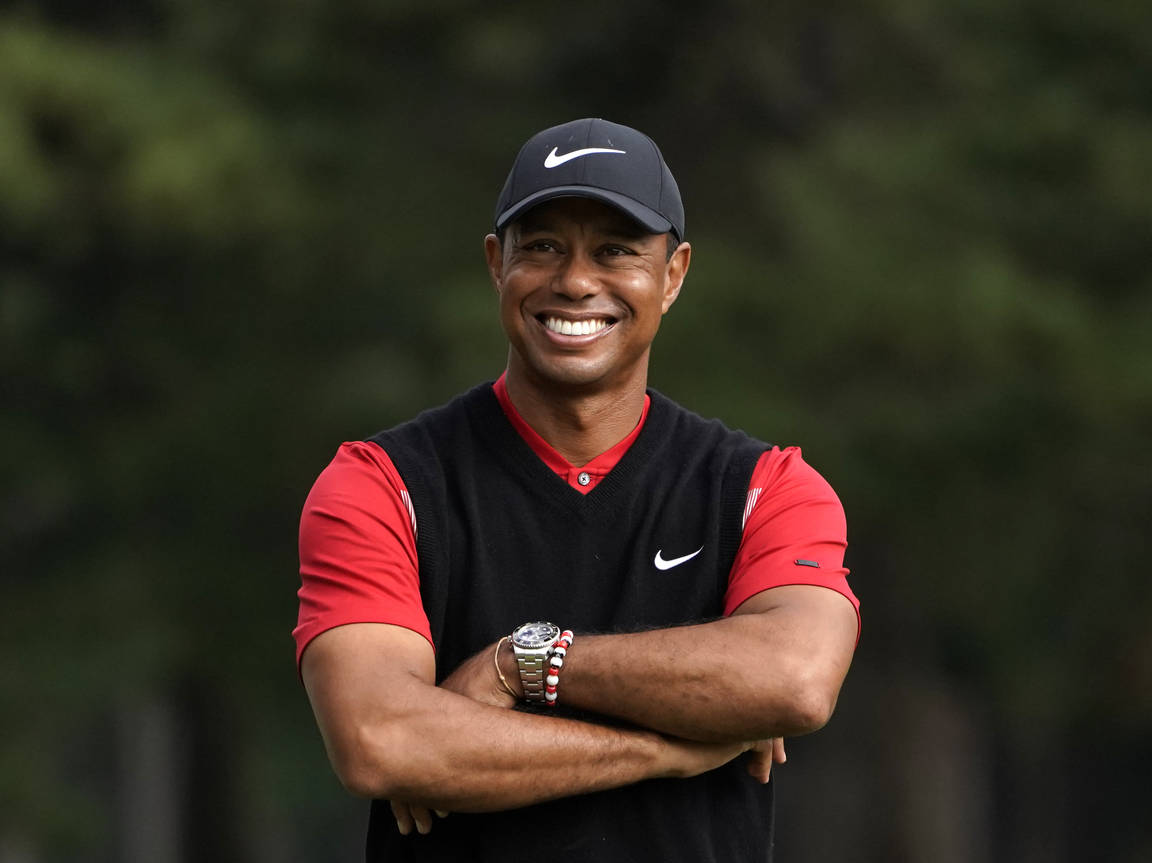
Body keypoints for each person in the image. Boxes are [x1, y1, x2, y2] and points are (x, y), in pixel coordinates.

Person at [294, 117, 860, 862]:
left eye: (616, 250)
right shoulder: (380, 484)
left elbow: (794, 679)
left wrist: (525, 661)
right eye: (543, 246)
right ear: (497, 263)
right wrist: (672, 748)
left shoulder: (766, 487)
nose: (575, 280)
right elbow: (382, 738)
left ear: (674, 273)